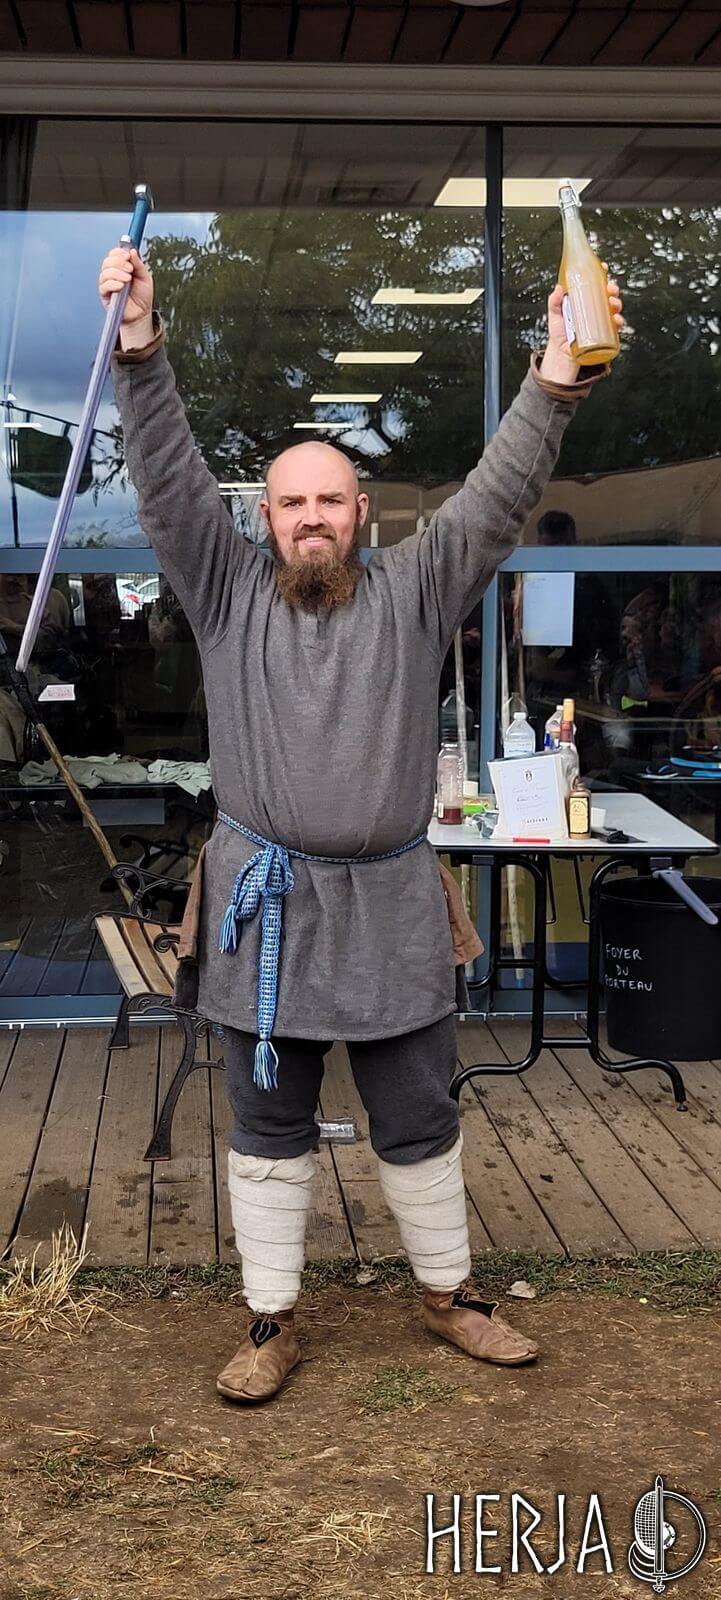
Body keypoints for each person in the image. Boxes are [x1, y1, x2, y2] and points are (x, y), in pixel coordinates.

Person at [101, 244, 623, 1405]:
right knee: (267, 1114)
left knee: (419, 1106)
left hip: (389, 901)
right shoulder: (224, 590)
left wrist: (553, 379)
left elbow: (496, 493)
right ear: (267, 519)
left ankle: (449, 1294)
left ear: (361, 513)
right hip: (266, 905)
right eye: (290, 502)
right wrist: (139, 346)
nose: (310, 518)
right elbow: (169, 477)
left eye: (329, 500)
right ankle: (270, 1317)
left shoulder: (416, 589)